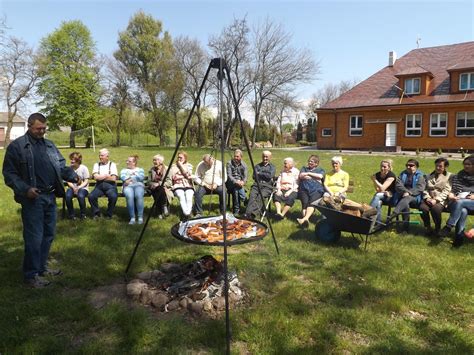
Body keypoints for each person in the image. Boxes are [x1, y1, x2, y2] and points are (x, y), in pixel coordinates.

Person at [2, 113, 79, 288]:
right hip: (33, 199)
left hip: (50, 196)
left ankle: (41, 268)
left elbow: (60, 166)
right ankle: (30, 276)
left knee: (48, 235)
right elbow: (9, 174)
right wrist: (25, 189)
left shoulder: (49, 145)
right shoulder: (17, 147)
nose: (42, 131)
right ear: (29, 126)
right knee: (34, 237)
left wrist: (73, 176)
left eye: (44, 128)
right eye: (38, 128)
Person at [439, 155, 474, 246]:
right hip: (458, 200)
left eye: (469, 164)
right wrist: (451, 194)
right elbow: (453, 190)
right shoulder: (460, 175)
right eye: (465, 164)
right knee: (462, 211)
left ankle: (448, 226)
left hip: (471, 202)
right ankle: (459, 239)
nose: (466, 166)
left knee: (460, 202)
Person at [419, 157, 452, 236]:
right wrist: (427, 197)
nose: (438, 168)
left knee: (435, 209)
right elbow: (425, 188)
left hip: (441, 200)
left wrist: (436, 200)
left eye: (440, 166)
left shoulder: (449, 176)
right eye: (436, 166)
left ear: (445, 167)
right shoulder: (429, 176)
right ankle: (428, 227)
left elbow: (446, 191)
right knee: (422, 208)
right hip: (429, 198)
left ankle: (437, 229)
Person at [391, 159, 426, 232]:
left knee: (406, 199)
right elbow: (398, 185)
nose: (408, 167)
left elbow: (420, 188)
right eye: (407, 165)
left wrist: (409, 193)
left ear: (416, 167)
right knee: (405, 204)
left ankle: (393, 214)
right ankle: (405, 228)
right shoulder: (403, 174)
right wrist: (405, 191)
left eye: (411, 165)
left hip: (415, 197)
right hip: (402, 195)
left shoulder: (420, 175)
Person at [244, 150, 276, 219]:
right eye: (264, 157)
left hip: (267, 186)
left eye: (267, 157)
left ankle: (253, 214)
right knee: (252, 196)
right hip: (256, 185)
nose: (265, 158)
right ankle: (247, 214)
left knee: (260, 197)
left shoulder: (272, 167)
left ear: (270, 157)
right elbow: (254, 176)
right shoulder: (257, 166)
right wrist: (264, 174)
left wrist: (259, 173)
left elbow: (269, 176)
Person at [88, 148, 119, 219]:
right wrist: (106, 176)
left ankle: (109, 213)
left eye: (102, 155)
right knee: (91, 196)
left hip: (110, 186)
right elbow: (96, 177)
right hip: (99, 186)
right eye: (99, 155)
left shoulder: (112, 165)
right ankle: (96, 213)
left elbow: (113, 178)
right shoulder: (96, 165)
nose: (100, 157)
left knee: (113, 196)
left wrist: (100, 176)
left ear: (107, 156)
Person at [296, 155, 325, 227]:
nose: (309, 163)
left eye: (311, 161)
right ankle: (306, 220)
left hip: (316, 190)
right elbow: (301, 175)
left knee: (312, 203)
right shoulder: (304, 168)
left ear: (316, 163)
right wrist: (313, 176)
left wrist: (308, 174)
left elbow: (320, 176)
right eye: (309, 161)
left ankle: (304, 219)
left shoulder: (320, 170)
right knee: (305, 203)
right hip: (304, 189)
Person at [120, 155, 145, 225]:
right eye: (127, 161)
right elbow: (123, 177)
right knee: (129, 196)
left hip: (138, 185)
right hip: (128, 186)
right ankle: (132, 217)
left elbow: (141, 177)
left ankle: (140, 217)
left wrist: (130, 178)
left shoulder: (140, 170)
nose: (127, 162)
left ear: (134, 163)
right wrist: (134, 177)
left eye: (129, 161)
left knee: (139, 195)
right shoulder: (124, 170)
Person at [169, 151, 194, 219]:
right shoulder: (173, 166)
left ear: (185, 158)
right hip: (177, 185)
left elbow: (188, 175)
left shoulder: (189, 165)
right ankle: (187, 213)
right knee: (181, 196)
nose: (179, 159)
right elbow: (173, 177)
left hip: (188, 185)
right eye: (178, 157)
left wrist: (181, 166)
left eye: (181, 157)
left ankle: (187, 213)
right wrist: (184, 176)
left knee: (189, 196)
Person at [65, 152, 90, 220]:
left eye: (73, 159)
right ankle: (71, 215)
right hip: (71, 187)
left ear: (78, 160)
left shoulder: (84, 168)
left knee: (81, 196)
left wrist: (79, 187)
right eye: (71, 159)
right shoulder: (69, 168)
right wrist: (73, 187)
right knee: (67, 196)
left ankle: (83, 214)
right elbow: (68, 181)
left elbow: (86, 181)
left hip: (83, 188)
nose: (71, 161)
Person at [148, 154, 173, 219]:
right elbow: (148, 181)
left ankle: (159, 211)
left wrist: (159, 183)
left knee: (160, 189)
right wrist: (152, 184)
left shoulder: (167, 169)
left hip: (164, 188)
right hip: (153, 188)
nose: (154, 162)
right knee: (157, 189)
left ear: (161, 161)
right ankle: (163, 207)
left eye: (156, 160)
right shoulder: (152, 170)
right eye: (154, 160)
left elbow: (169, 182)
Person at [225, 149, 248, 215]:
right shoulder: (229, 163)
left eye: (237, 156)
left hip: (240, 184)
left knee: (236, 190)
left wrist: (243, 182)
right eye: (235, 156)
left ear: (241, 157)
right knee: (236, 187)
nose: (235, 158)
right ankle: (244, 199)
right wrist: (236, 181)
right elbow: (229, 175)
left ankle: (236, 210)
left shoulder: (244, 165)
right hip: (230, 183)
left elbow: (245, 176)